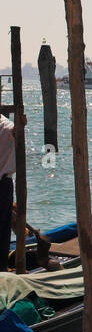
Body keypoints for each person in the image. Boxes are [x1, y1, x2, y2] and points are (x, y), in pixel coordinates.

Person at [0, 112, 15, 270]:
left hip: (3, 183)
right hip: (3, 184)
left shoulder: (9, 127)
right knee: (3, 228)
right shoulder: (9, 126)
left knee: (4, 226)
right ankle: (2, 267)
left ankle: (2, 266)